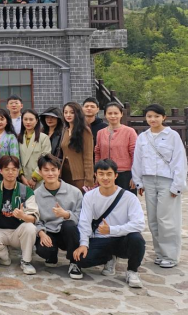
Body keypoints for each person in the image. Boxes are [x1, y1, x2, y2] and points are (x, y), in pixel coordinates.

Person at [74, 159, 146, 289]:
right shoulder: (89, 196)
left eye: (109, 174)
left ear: (116, 175)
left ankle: (132, 271)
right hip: (100, 239)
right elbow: (84, 222)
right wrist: (83, 244)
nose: (105, 178)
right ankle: (109, 258)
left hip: (121, 239)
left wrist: (111, 230)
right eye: (101, 174)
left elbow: (139, 224)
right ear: (95, 175)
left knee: (137, 239)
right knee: (81, 260)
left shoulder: (129, 198)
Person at [132, 104, 187, 269]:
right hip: (148, 181)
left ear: (164, 117)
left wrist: (177, 185)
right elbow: (137, 160)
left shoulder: (172, 136)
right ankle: (160, 253)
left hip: (167, 181)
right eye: (149, 116)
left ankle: (170, 256)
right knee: (153, 219)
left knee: (167, 219)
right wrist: (138, 181)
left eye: (156, 116)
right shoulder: (143, 137)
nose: (153, 119)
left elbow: (179, 161)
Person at [0, 156, 39, 275]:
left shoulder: (26, 191)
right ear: (0, 170)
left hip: (17, 232)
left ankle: (26, 261)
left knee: (30, 228)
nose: (10, 172)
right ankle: (5, 256)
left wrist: (23, 216)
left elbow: (33, 218)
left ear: (18, 171)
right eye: (7, 169)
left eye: (14, 169)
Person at [34, 154, 83, 279]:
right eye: (46, 170)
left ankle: (74, 262)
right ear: (40, 172)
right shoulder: (36, 195)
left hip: (68, 233)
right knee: (43, 250)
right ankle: (51, 255)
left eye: (53, 169)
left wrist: (66, 215)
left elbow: (82, 217)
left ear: (59, 171)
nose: (50, 173)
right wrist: (41, 232)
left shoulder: (75, 192)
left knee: (69, 225)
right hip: (49, 232)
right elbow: (35, 219)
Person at [95, 103, 137, 193]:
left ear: (121, 114)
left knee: (125, 199)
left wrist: (135, 175)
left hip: (125, 174)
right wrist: (97, 172)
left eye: (116, 113)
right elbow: (98, 152)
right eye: (110, 113)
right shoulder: (100, 133)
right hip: (105, 174)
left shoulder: (129, 131)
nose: (113, 116)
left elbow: (135, 154)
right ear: (105, 115)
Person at [60, 102, 95, 191]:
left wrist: (89, 180)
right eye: (65, 112)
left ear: (78, 113)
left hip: (79, 175)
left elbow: (88, 157)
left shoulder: (85, 131)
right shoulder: (65, 130)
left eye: (72, 112)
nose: (68, 115)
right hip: (64, 173)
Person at [18, 110, 52, 189]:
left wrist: (34, 178)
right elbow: (17, 158)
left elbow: (46, 159)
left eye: (31, 119)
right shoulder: (19, 137)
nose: (28, 122)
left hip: (39, 179)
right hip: (23, 180)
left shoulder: (43, 138)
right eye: (25, 119)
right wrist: (22, 176)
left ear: (36, 121)